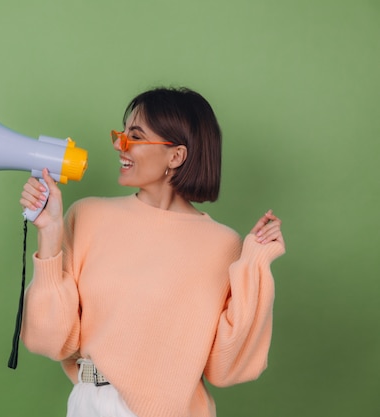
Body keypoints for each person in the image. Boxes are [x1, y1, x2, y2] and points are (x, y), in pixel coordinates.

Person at [19, 86, 285, 417]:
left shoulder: (223, 245)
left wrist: (256, 264)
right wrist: (50, 232)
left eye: (135, 137)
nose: (119, 145)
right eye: (121, 134)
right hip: (90, 404)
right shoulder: (86, 216)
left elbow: (227, 368)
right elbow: (50, 341)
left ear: (176, 156)